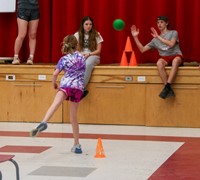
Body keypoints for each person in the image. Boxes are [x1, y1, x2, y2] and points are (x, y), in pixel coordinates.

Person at [30, 35, 86, 154]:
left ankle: (44, 122)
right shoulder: (82, 57)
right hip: (78, 88)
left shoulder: (64, 59)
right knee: (73, 117)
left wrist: (54, 84)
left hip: (66, 85)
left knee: (55, 104)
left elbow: (55, 74)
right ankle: (77, 145)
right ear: (77, 45)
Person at [131, 16, 183, 99]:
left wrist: (158, 37)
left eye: (162, 22)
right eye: (158, 23)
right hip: (165, 57)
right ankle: (167, 87)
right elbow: (142, 50)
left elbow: (171, 44)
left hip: (176, 55)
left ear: (167, 23)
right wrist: (135, 37)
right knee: (159, 63)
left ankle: (168, 86)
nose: (159, 24)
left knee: (176, 61)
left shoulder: (173, 32)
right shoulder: (155, 40)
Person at [74, 16, 103, 98]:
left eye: (90, 24)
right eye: (86, 24)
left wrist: (89, 54)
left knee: (87, 64)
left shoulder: (97, 34)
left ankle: (81, 89)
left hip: (93, 56)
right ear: (82, 25)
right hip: (81, 56)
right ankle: (71, 87)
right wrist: (81, 55)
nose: (88, 26)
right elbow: (75, 49)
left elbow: (98, 51)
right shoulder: (77, 34)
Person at [12, 0, 40, 65]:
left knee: (33, 34)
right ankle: (16, 57)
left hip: (35, 8)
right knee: (22, 34)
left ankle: (31, 57)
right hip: (23, 8)